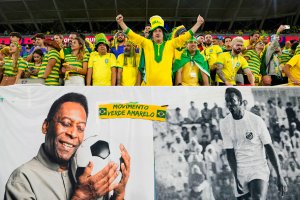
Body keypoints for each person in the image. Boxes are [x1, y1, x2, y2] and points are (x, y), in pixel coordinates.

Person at [4, 92, 131, 200]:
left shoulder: (92, 174)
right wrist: (80, 197)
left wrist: (119, 195)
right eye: (65, 123)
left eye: (80, 128)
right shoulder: (22, 180)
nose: (73, 133)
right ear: (45, 126)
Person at [220, 87, 287, 200]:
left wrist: (280, 176)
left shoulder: (256, 120)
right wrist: (236, 177)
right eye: (227, 101)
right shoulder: (224, 123)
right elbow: (230, 153)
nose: (229, 104)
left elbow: (269, 148)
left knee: (258, 197)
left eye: (232, 100)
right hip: (240, 169)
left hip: (258, 167)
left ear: (240, 101)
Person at [116, 14, 205, 86]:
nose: (157, 33)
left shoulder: (170, 44)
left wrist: (198, 23)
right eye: (155, 31)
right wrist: (121, 22)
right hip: (149, 87)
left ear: (163, 34)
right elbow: (132, 34)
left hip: (166, 87)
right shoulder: (146, 43)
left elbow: (186, 36)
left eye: (159, 31)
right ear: (152, 34)